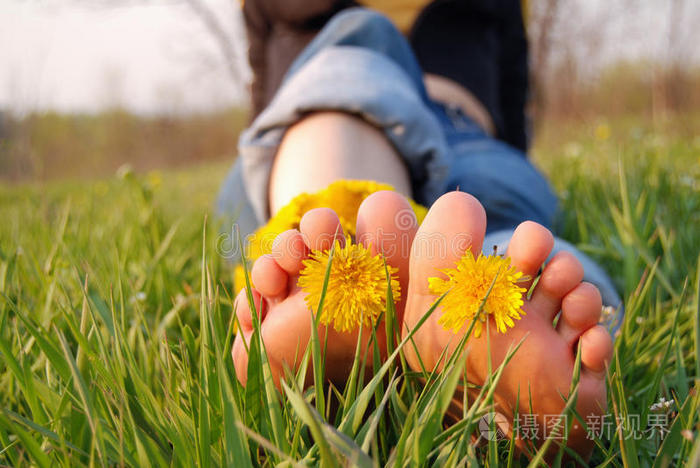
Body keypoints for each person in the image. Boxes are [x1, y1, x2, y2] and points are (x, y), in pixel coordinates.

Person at [218, 4, 622, 458]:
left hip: (428, 141)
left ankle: (345, 270)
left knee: (354, 61)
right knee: (518, 256)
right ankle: (486, 297)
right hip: (354, 125)